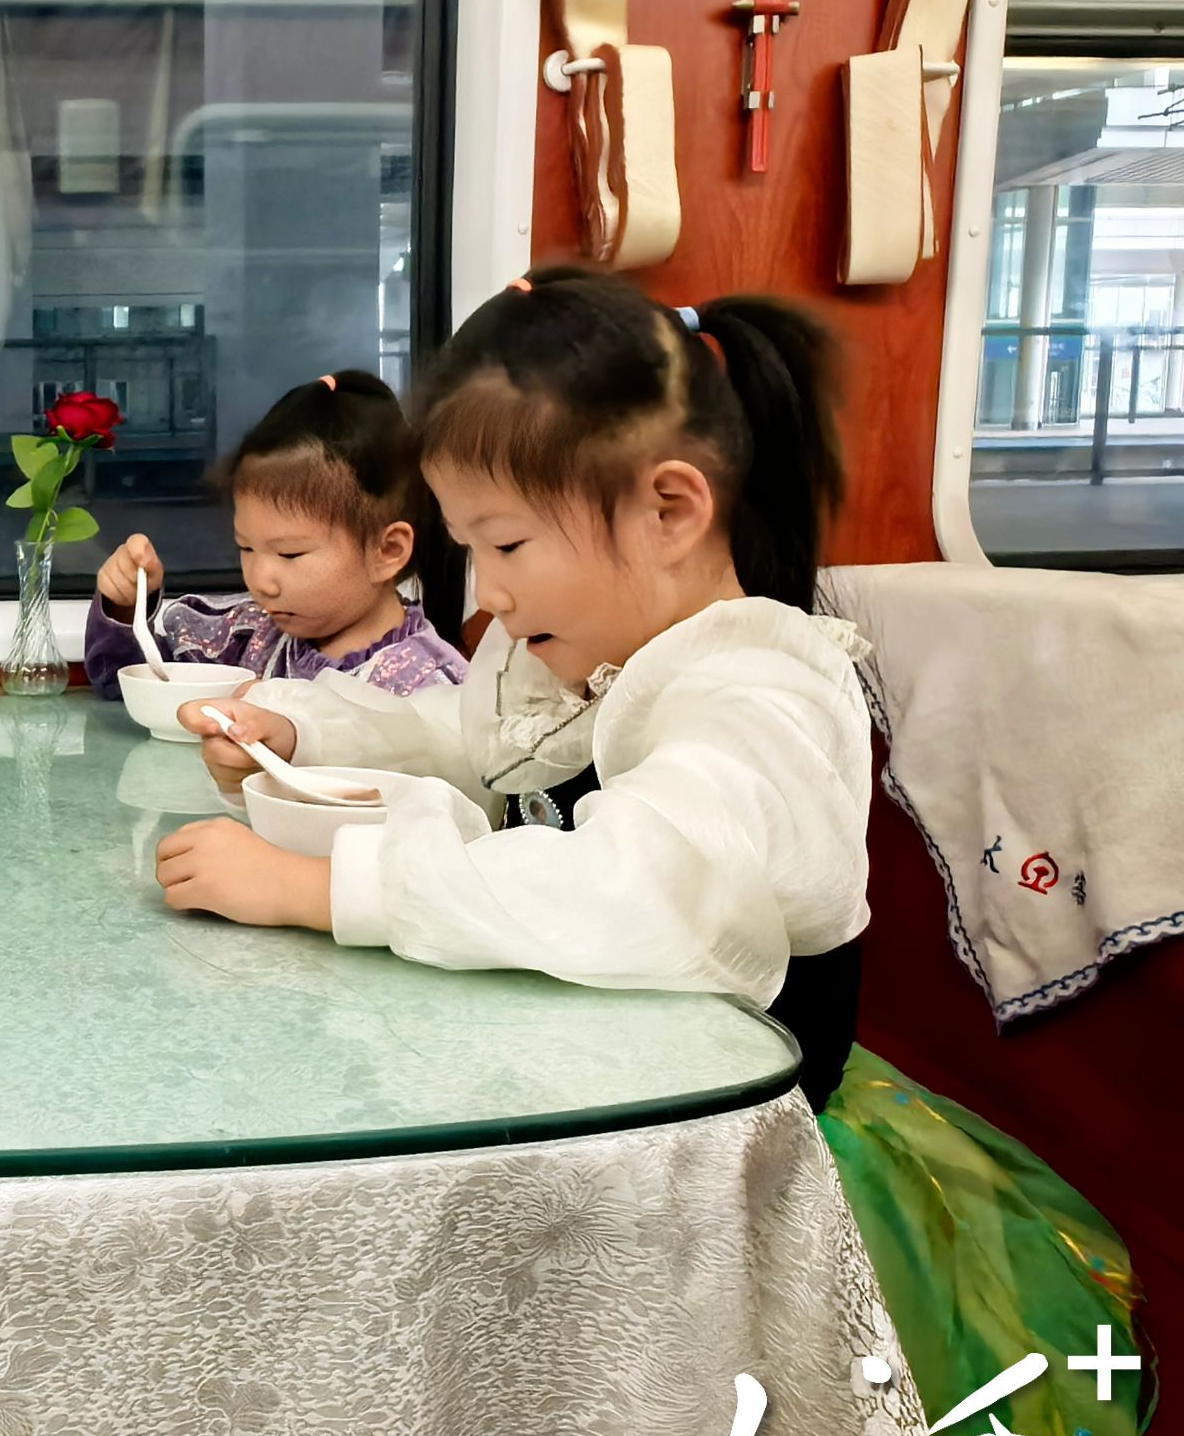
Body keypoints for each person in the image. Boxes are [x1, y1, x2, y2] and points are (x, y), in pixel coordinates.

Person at [157, 270, 869, 1106]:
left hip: (728, 1122)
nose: (488, 593)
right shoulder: (573, 650)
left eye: (507, 545)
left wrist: (312, 889)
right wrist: (298, 735)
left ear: (668, 513)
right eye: (470, 549)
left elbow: (628, 887)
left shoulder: (760, 695)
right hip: (596, 1071)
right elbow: (462, 742)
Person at [83, 369, 466, 699]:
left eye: (290, 554)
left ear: (388, 550)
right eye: (246, 548)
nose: (261, 582)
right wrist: (125, 606)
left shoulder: (429, 689)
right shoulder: (244, 635)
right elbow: (127, 684)